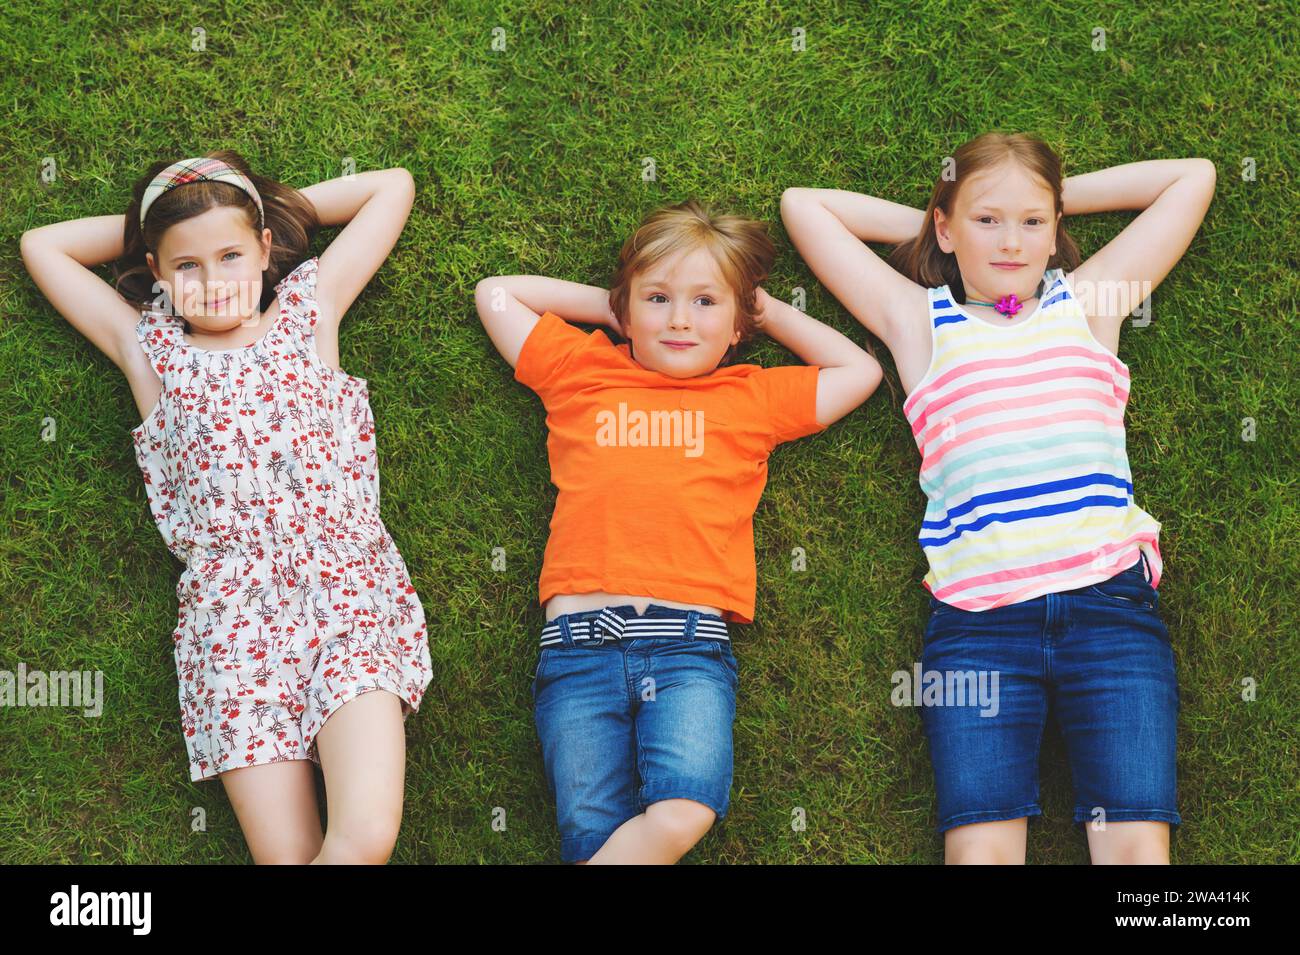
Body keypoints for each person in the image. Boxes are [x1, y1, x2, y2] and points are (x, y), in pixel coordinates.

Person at [782, 133, 1215, 863]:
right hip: (979, 629)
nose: (1011, 242)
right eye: (987, 221)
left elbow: (1192, 178)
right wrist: (943, 219)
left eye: (1033, 222)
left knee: (1139, 848)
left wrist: (1036, 198)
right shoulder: (918, 322)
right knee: (979, 852)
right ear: (946, 228)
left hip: (1110, 610)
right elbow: (805, 206)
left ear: (1056, 227)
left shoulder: (1089, 302)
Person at [20, 151, 432, 864]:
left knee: (364, 835)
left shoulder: (312, 305)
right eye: (185, 266)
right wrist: (169, 220)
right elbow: (42, 246)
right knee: (289, 855)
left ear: (266, 247)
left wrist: (243, 199)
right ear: (153, 269)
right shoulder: (148, 347)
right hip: (231, 619)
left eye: (232, 253)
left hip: (344, 591)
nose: (212, 284)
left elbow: (391, 185)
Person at [475, 199, 882, 862]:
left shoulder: (749, 396)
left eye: (705, 302)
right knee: (590, 833)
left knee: (685, 806)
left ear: (737, 324)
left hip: (687, 649)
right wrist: (615, 307)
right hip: (579, 647)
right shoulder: (582, 370)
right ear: (627, 310)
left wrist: (764, 309)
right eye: (658, 299)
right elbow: (495, 294)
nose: (680, 319)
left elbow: (859, 372)